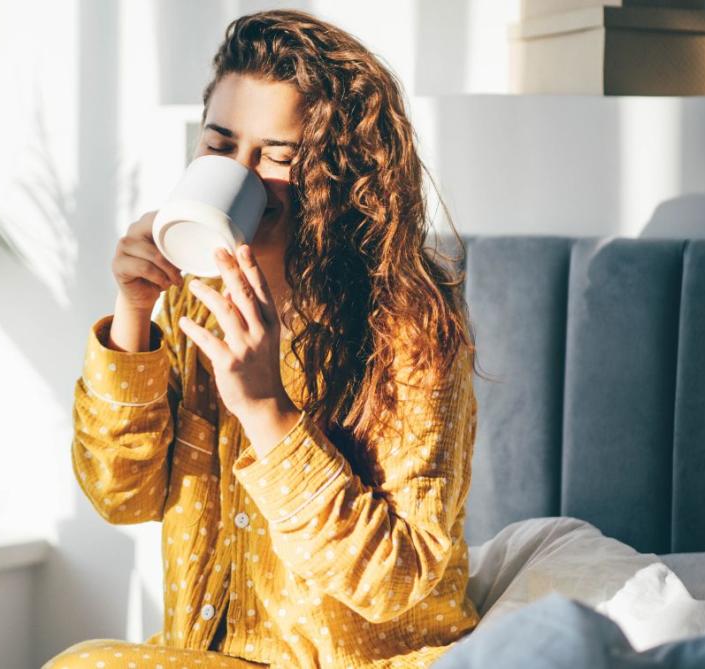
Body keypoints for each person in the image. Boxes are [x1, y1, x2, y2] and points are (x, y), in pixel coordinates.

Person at [46, 9, 479, 669]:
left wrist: (265, 409)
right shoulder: (195, 300)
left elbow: (397, 579)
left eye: (278, 156)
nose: (241, 173)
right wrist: (134, 311)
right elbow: (119, 494)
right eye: (220, 146)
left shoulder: (409, 331)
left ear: (338, 174)